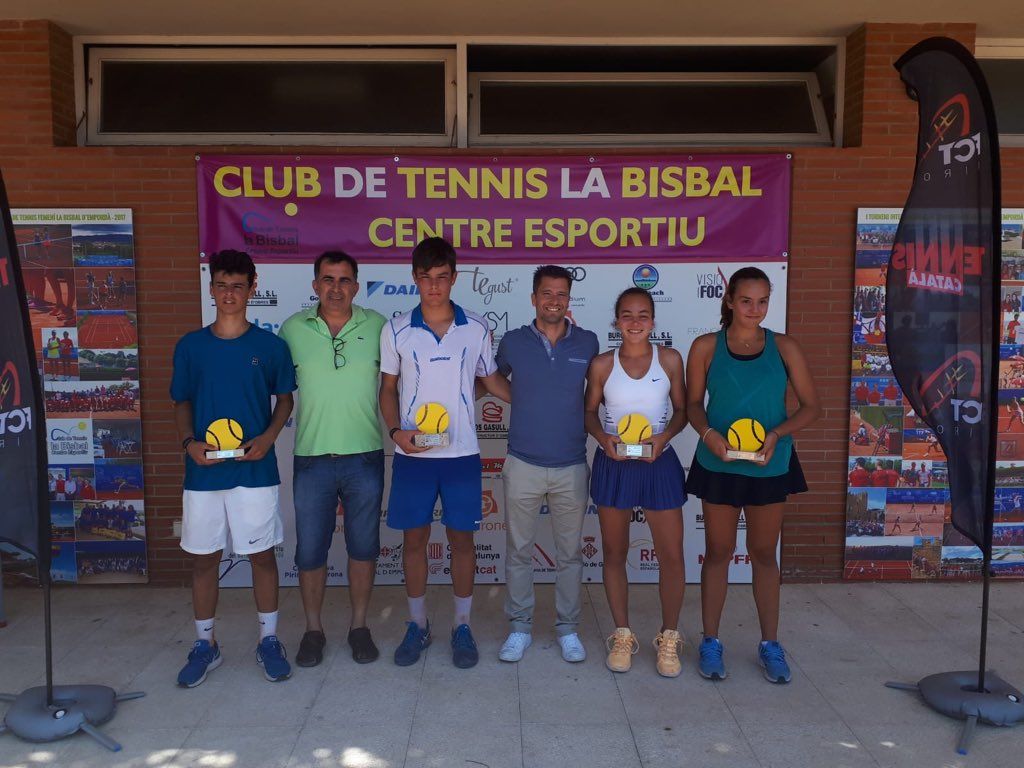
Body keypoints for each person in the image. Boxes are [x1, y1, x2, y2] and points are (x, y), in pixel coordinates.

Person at [685, 266, 819, 684]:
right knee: (719, 551)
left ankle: (770, 644)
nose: (755, 309)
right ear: (729, 300)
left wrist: (777, 434)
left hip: (769, 465)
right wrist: (708, 434)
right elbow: (692, 404)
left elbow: (813, 407)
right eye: (746, 300)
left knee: (763, 554)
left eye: (763, 301)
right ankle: (710, 641)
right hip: (720, 463)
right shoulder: (706, 346)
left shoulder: (786, 347)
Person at [379, 237, 508, 669]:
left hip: (461, 456)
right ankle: (417, 625)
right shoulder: (395, 328)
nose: (433, 286)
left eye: (442, 278)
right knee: (413, 542)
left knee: (462, 543)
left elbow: (491, 381)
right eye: (425, 278)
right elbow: (387, 390)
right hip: (414, 457)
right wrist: (397, 433)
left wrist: (538, 398)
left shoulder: (476, 327)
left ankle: (462, 625)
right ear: (415, 279)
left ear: (453, 278)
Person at [171, 249, 296, 688]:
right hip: (204, 474)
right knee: (204, 562)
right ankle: (206, 644)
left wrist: (268, 438)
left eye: (238, 286)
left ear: (252, 288)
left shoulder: (270, 346)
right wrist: (189, 443)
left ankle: (269, 641)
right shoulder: (190, 346)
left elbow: (285, 400)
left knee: (261, 557)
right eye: (221, 285)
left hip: (254, 471)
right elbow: (181, 401)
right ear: (211, 288)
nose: (229, 294)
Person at [278, 251, 387, 667]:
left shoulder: (377, 325)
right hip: (312, 458)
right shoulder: (291, 329)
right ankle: (313, 630)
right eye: (328, 279)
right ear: (315, 285)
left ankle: (360, 627)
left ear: (356, 286)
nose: (336, 288)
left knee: (363, 547)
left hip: (365, 456)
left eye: (344, 280)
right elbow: (277, 391)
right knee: (310, 551)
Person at [494, 265, 599, 664]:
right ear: (534, 297)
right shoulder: (513, 342)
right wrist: (520, 400)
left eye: (561, 294)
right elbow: (491, 378)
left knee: (569, 553)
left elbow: (605, 387)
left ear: (568, 300)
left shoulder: (587, 343)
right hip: (522, 461)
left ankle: (568, 629)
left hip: (571, 462)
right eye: (546, 293)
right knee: (519, 550)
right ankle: (519, 627)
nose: (554, 301)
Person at [584, 287, 688, 677]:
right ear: (616, 321)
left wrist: (664, 438)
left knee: (672, 556)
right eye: (626, 315)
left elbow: (682, 411)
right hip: (615, 463)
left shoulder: (671, 360)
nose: (635, 322)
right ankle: (623, 635)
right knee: (613, 553)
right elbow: (589, 413)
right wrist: (602, 438)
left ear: (653, 321)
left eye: (643, 315)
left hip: (657, 461)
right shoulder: (601, 365)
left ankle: (669, 637)